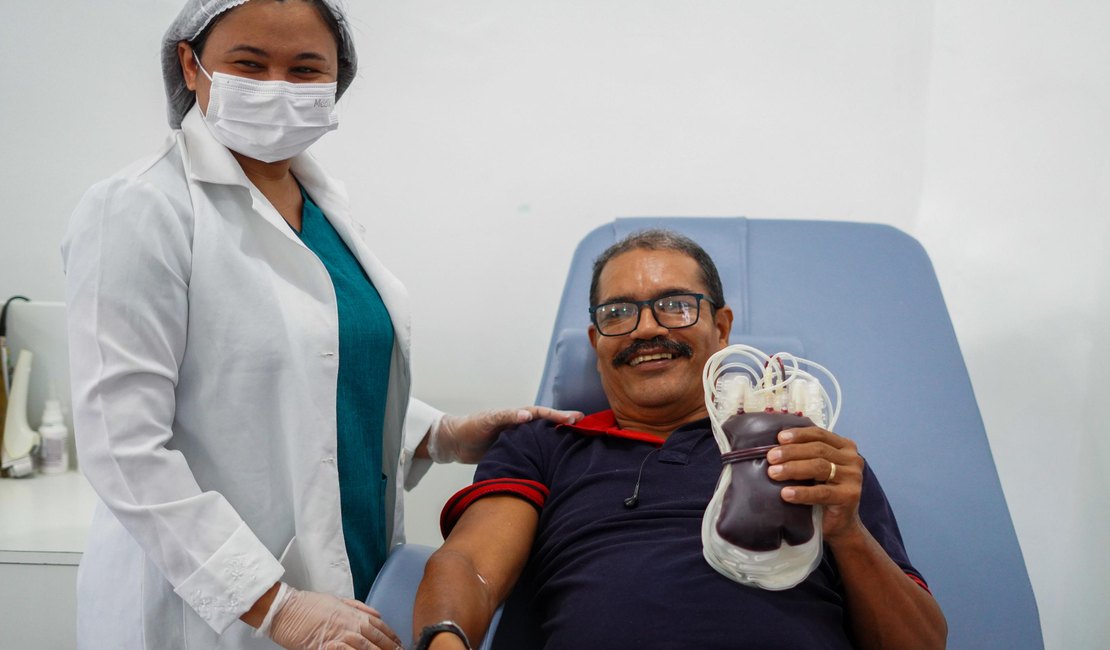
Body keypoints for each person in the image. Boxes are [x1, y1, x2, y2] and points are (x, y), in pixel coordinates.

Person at [61, 2, 579, 649]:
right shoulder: (140, 208)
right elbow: (123, 449)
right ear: (191, 65)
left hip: (352, 570)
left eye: (306, 69)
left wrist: (442, 434)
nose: (279, 85)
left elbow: (319, 368)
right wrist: (272, 604)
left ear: (337, 83)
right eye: (250, 64)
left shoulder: (325, 205)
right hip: (212, 610)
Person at [412, 229, 948, 650]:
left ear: (722, 327)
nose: (646, 329)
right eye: (618, 312)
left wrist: (847, 531)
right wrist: (444, 640)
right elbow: (470, 565)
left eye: (675, 305)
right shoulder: (545, 445)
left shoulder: (810, 453)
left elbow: (919, 644)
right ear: (597, 342)